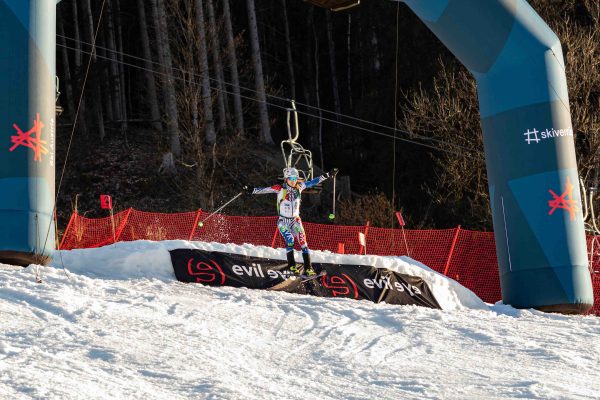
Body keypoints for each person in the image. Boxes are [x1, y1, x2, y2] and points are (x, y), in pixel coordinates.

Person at [243, 167, 338, 276]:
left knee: (303, 242)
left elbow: (314, 181)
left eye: (295, 178)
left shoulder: (300, 187)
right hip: (283, 221)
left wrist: (328, 174)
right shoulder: (280, 189)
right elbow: (264, 190)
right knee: (290, 239)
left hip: (295, 220)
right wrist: (251, 190)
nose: (294, 180)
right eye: (291, 178)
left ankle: (308, 268)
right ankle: (292, 265)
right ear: (286, 179)